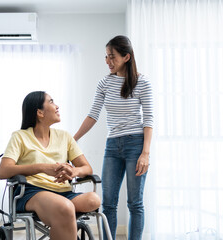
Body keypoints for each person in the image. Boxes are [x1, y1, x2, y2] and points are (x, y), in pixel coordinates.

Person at [74, 35, 153, 240]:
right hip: (112, 146)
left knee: (135, 203)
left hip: (135, 145)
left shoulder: (142, 82)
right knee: (108, 203)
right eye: (106, 57)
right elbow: (93, 115)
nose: (108, 61)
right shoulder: (104, 83)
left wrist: (145, 153)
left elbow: (149, 119)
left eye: (112, 57)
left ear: (126, 57)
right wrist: (73, 139)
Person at [0, 91, 101, 240]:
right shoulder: (19, 136)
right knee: (64, 207)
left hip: (64, 192)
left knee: (93, 200)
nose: (57, 106)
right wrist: (42, 168)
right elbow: (3, 171)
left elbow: (86, 168)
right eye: (51, 102)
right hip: (32, 192)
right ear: (40, 112)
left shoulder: (65, 137)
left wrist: (73, 171)